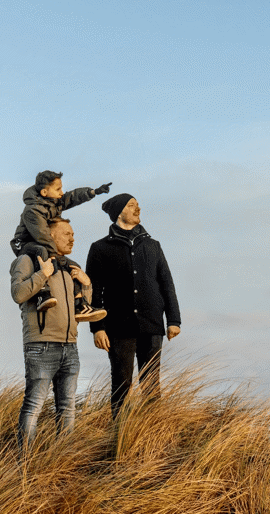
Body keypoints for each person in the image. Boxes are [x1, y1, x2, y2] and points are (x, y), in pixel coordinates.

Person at [85, 193, 181, 419]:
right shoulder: (100, 248)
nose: (138, 209)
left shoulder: (153, 245)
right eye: (131, 205)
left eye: (138, 205)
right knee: (121, 384)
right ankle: (119, 431)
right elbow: (93, 290)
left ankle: (151, 432)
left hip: (152, 325)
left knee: (151, 384)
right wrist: (97, 327)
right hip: (118, 327)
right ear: (119, 212)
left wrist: (174, 320)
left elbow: (167, 283)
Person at [11, 218, 93, 454]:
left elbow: (81, 310)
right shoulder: (27, 261)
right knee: (33, 407)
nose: (72, 238)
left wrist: (86, 285)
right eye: (67, 233)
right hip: (41, 345)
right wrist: (43, 275)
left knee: (67, 408)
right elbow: (18, 294)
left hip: (70, 345)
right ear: (50, 236)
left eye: (73, 233)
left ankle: (62, 462)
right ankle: (25, 463)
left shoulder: (68, 266)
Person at [10, 170, 110, 324]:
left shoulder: (54, 202)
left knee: (73, 265)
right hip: (25, 243)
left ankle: (80, 304)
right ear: (44, 192)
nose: (61, 192)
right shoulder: (32, 210)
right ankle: (43, 293)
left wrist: (93, 192)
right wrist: (56, 257)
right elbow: (42, 235)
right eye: (58, 189)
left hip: (42, 241)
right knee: (42, 251)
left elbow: (72, 197)